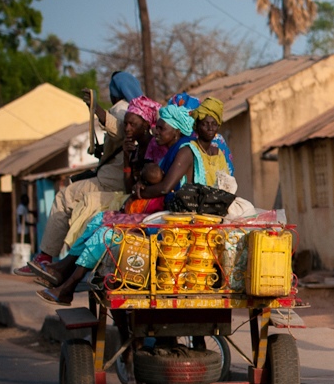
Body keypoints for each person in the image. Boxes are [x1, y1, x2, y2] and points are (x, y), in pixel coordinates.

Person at [36, 99, 234, 305]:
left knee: (107, 233)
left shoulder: (185, 150)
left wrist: (141, 193)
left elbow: (166, 187)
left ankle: (69, 286)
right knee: (100, 219)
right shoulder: (184, 149)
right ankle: (64, 269)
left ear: (176, 131)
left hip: (178, 220)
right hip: (174, 215)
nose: (155, 132)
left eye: (161, 128)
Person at [15, 71, 144, 275]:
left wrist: (97, 110)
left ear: (115, 91)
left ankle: (46, 256)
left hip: (111, 182)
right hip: (120, 179)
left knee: (65, 197)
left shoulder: (122, 109)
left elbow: (120, 129)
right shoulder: (142, 109)